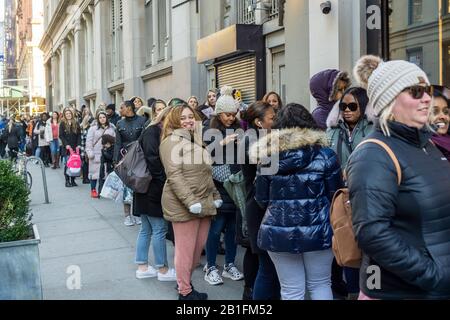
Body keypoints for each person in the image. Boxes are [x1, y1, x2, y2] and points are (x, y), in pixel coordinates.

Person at [347, 55, 450, 300]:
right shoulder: (373, 154)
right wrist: (435, 276)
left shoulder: (427, 145)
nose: (427, 98)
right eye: (416, 91)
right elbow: (372, 234)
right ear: (390, 100)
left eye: (426, 89)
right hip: (405, 291)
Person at [251, 103, 343, 300]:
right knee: (320, 284)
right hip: (319, 229)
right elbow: (335, 195)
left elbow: (261, 198)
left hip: (278, 229)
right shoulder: (326, 155)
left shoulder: (267, 158)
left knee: (291, 290)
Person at [159, 103, 222, 300]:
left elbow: (205, 173)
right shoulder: (170, 142)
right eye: (183, 118)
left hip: (204, 202)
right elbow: (175, 175)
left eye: (190, 117)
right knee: (185, 252)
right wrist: (190, 201)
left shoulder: (196, 140)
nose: (188, 121)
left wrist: (216, 196)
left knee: (196, 252)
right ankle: (184, 293)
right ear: (175, 122)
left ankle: (186, 285)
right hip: (183, 204)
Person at [326, 87, 373, 299]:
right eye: (343, 106)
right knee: (344, 246)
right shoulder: (332, 131)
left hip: (369, 198)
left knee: (370, 251)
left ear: (363, 107)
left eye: (352, 106)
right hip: (339, 198)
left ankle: (371, 290)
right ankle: (348, 292)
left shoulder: (374, 130)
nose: (346, 110)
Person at [203, 86, 244, 286]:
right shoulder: (209, 130)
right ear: (219, 113)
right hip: (218, 186)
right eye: (227, 114)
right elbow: (204, 157)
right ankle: (210, 266)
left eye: (233, 114)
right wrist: (222, 143)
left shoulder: (240, 128)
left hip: (236, 185)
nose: (231, 117)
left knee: (232, 230)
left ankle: (229, 264)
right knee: (215, 229)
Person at [240, 101, 280, 300]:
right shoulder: (253, 143)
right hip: (259, 207)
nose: (276, 120)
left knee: (265, 265)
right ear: (258, 122)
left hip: (259, 206)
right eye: (272, 118)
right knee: (267, 266)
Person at [134, 104, 177, 282]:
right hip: (152, 188)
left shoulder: (152, 131)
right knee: (158, 229)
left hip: (145, 187)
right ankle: (163, 269)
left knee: (146, 229)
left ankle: (142, 266)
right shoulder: (153, 132)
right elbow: (153, 160)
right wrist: (164, 181)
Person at [114, 100, 147, 226]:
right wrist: (115, 161)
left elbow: (143, 139)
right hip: (125, 158)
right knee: (126, 187)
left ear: (128, 108)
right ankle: (127, 215)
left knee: (139, 185)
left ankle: (137, 214)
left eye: (121, 107)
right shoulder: (119, 123)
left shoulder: (142, 121)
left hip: (139, 157)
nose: (120, 110)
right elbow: (117, 143)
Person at [85, 111, 116, 198]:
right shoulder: (93, 129)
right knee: (94, 173)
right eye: (100, 117)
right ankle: (93, 189)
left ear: (106, 118)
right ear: (98, 119)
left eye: (104, 117)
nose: (102, 119)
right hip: (96, 154)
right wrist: (90, 152)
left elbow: (115, 141)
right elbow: (89, 142)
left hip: (107, 155)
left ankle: (104, 190)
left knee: (106, 173)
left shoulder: (111, 129)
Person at [59, 107, 81, 188]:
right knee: (68, 164)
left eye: (69, 113)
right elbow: (61, 135)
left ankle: (73, 180)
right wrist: (66, 144)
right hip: (67, 148)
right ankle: (67, 181)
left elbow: (79, 134)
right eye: (67, 114)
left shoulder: (76, 123)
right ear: (64, 115)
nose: (68, 115)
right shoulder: (62, 123)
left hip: (75, 147)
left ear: (72, 114)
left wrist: (78, 144)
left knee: (74, 164)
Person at [429, 88, 450, 161]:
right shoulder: (425, 147)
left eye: (446, 112)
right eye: (435, 111)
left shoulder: (447, 138)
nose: (443, 117)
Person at [80, 107, 94, 184]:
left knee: (88, 162)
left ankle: (87, 177)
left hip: (88, 145)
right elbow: (83, 138)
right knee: (85, 162)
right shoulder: (83, 126)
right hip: (84, 145)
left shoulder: (91, 125)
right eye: (85, 111)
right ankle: (85, 177)